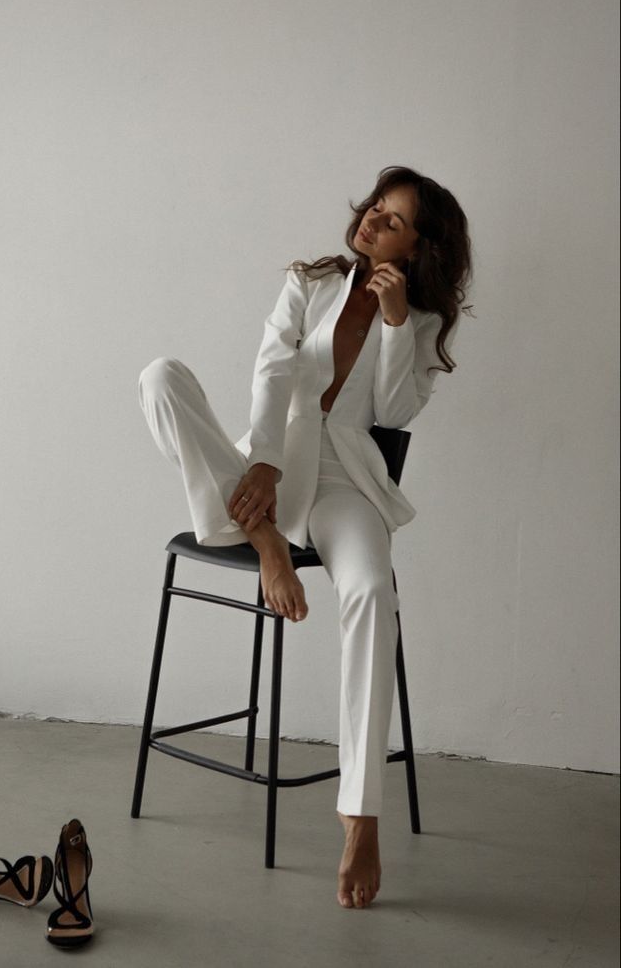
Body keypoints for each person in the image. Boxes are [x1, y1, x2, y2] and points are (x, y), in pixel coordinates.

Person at [139, 164, 473, 909]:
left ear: (421, 249)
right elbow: (271, 370)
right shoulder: (310, 280)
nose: (371, 222)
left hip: (341, 482)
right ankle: (265, 544)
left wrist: (390, 324)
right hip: (267, 459)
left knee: (371, 591)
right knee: (161, 377)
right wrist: (260, 460)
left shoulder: (419, 326)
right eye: (374, 208)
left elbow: (391, 412)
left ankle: (361, 814)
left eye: (393, 221)